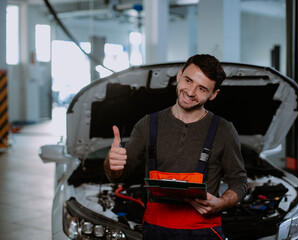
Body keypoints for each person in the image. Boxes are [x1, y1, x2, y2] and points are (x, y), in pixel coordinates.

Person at [104, 54, 247, 240]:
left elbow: (239, 181)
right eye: (188, 80)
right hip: (155, 230)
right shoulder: (148, 124)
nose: (190, 92)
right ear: (179, 75)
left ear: (213, 94)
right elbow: (117, 174)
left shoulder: (223, 130)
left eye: (202, 89)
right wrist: (112, 163)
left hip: (204, 231)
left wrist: (221, 203)